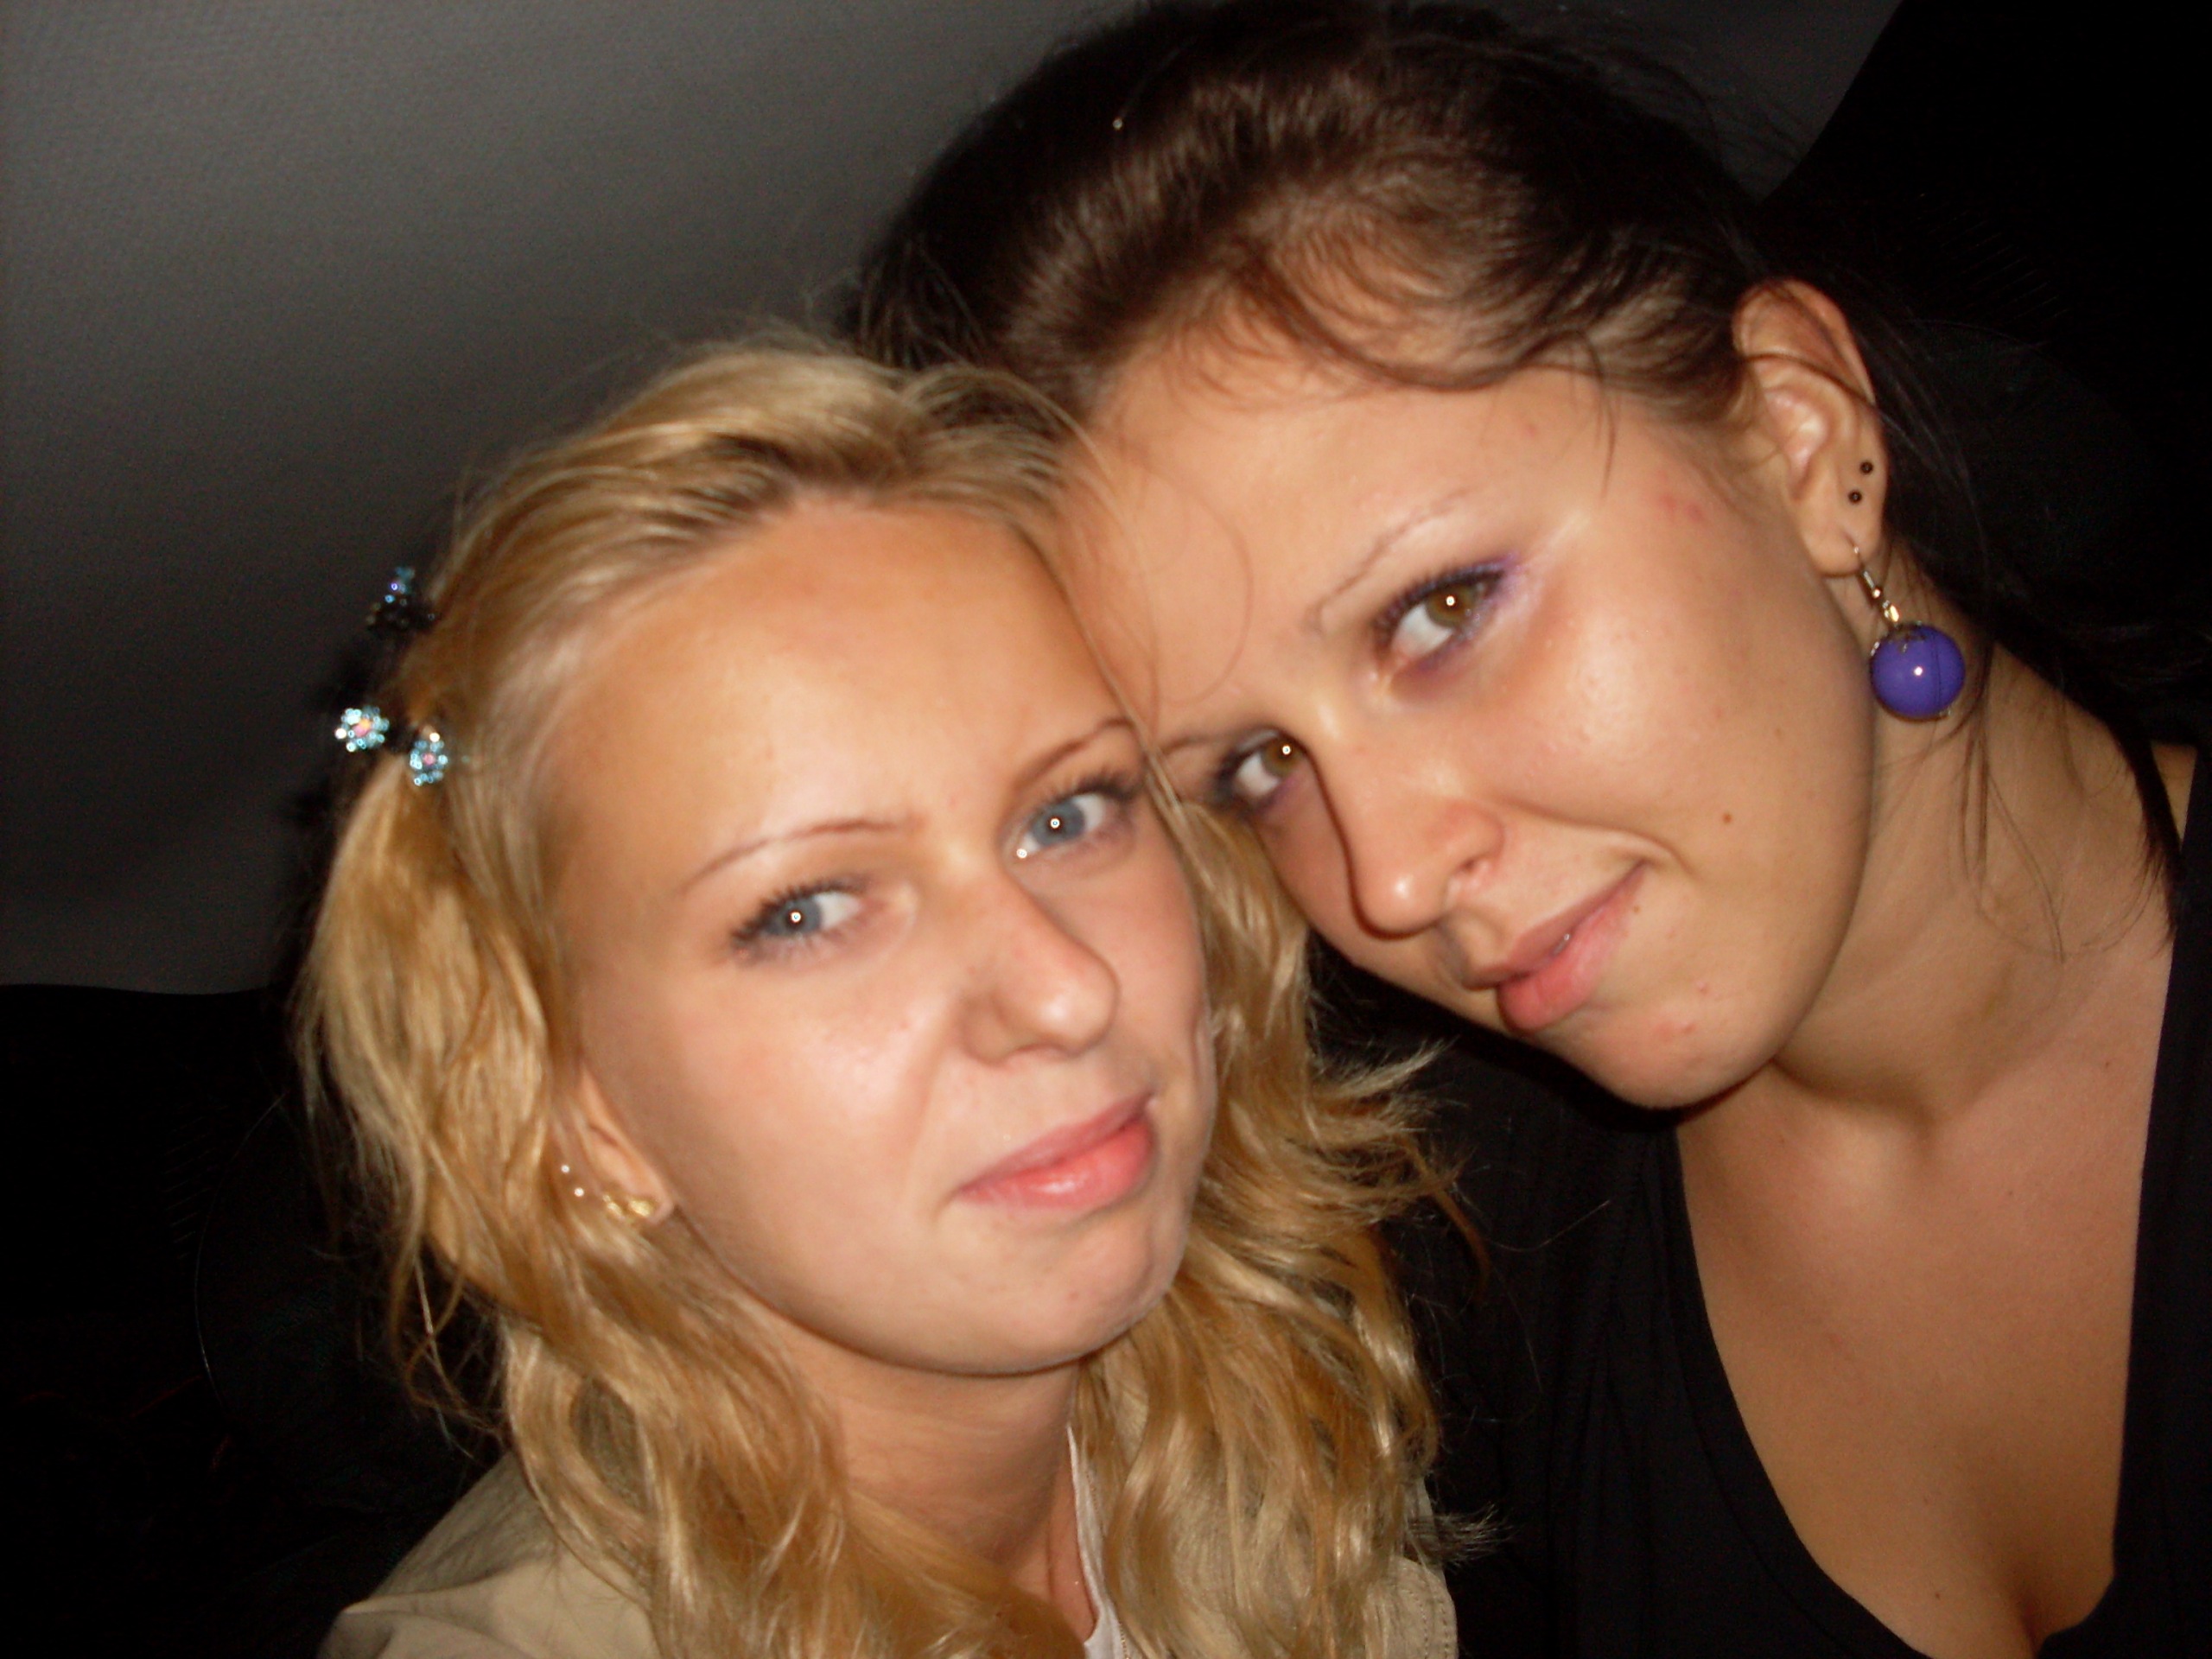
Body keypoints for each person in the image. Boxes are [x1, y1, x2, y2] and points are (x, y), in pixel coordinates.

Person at [849, 3, 2212, 1656]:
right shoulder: (1476, 1249)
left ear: (1800, 437)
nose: (1389, 879)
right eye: (1260, 765)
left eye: (1442, 610)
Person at [304, 343, 1458, 1658]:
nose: (1066, 991)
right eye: (807, 911)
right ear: (582, 1115)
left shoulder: (1283, 1428)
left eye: (1069, 814)